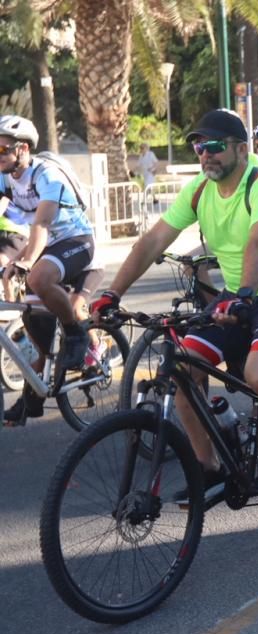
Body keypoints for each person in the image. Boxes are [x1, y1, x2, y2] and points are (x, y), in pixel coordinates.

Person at [90, 109, 258, 496]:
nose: (205, 154)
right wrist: (113, 293)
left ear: (241, 150)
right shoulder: (199, 188)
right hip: (238, 294)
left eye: (215, 146)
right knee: (182, 369)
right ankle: (209, 466)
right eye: (199, 147)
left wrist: (244, 295)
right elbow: (152, 241)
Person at [0, 114, 97, 423]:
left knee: (40, 277)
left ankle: (77, 334)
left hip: (76, 242)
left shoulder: (47, 174)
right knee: (37, 332)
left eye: (2, 149)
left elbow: (42, 222)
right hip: (47, 248)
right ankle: (32, 398)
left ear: (23, 149)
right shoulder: (5, 177)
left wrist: (26, 261)